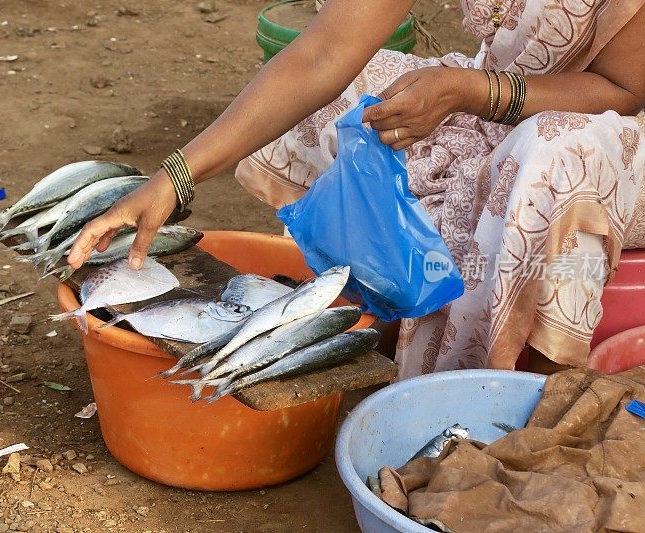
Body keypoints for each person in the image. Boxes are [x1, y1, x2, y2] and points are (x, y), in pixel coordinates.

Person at [67, 0, 645, 379]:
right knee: (344, 101)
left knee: (553, 155)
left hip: (606, 145)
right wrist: (175, 174)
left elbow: (622, 89)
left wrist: (471, 92)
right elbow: (322, 55)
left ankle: (534, 398)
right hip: (488, 97)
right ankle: (383, 317)